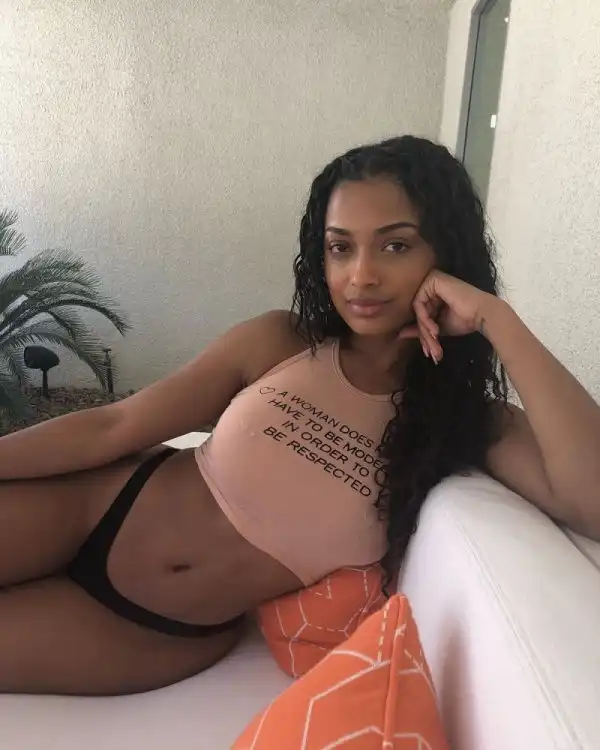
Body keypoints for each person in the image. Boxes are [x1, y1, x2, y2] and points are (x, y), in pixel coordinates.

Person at [1, 136, 599, 697]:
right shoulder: (280, 342)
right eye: (341, 247)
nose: (361, 275)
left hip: (154, 631)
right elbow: (113, 426)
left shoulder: (466, 424)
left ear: (447, 253)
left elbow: (592, 499)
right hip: (89, 507)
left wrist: (498, 320)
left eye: (395, 245)